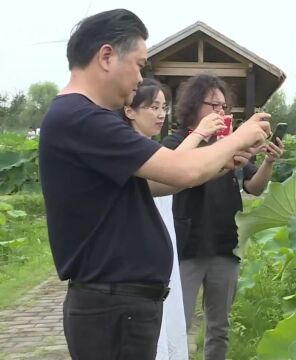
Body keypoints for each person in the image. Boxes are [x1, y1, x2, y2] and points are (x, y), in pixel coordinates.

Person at [38, 9, 270, 360]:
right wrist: (238, 138)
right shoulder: (83, 118)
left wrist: (223, 162)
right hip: (112, 306)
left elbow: (155, 184)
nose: (140, 78)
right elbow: (180, 171)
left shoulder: (85, 119)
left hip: (118, 304)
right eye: (139, 64)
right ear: (106, 56)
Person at [161, 74, 284, 360]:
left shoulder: (229, 144)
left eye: (224, 107)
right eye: (213, 105)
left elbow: (254, 187)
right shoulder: (177, 143)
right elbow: (183, 175)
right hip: (187, 246)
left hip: (225, 245)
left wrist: (268, 161)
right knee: (177, 324)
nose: (220, 112)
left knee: (219, 327)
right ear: (193, 106)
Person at [121, 78, 227, 360]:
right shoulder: (130, 149)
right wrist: (202, 134)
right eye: (152, 106)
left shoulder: (150, 147)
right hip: (142, 259)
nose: (160, 114)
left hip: (163, 251)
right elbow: (174, 169)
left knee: (171, 329)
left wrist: (226, 161)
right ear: (129, 111)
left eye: (163, 107)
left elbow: (186, 176)